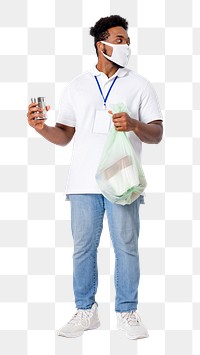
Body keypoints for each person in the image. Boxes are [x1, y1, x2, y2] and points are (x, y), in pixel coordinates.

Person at [27, 15, 163, 340]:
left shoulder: (140, 85)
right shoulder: (77, 85)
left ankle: (127, 312)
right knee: (83, 248)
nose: (126, 46)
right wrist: (42, 127)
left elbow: (156, 133)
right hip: (82, 182)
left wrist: (134, 125)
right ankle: (86, 312)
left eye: (127, 41)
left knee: (126, 246)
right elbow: (64, 135)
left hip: (123, 181)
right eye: (119, 40)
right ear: (100, 45)